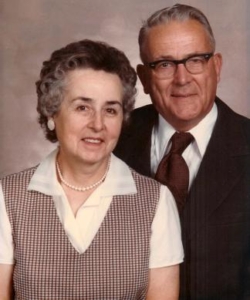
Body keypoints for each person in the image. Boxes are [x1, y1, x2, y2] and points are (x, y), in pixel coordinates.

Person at [0, 39, 183, 300]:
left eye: (110, 110)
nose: (97, 124)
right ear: (52, 113)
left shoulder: (156, 202)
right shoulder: (7, 198)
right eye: (82, 107)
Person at [114, 4, 250, 300]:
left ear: (216, 66)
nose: (182, 78)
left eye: (195, 61)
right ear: (144, 78)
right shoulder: (110, 141)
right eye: (164, 64)